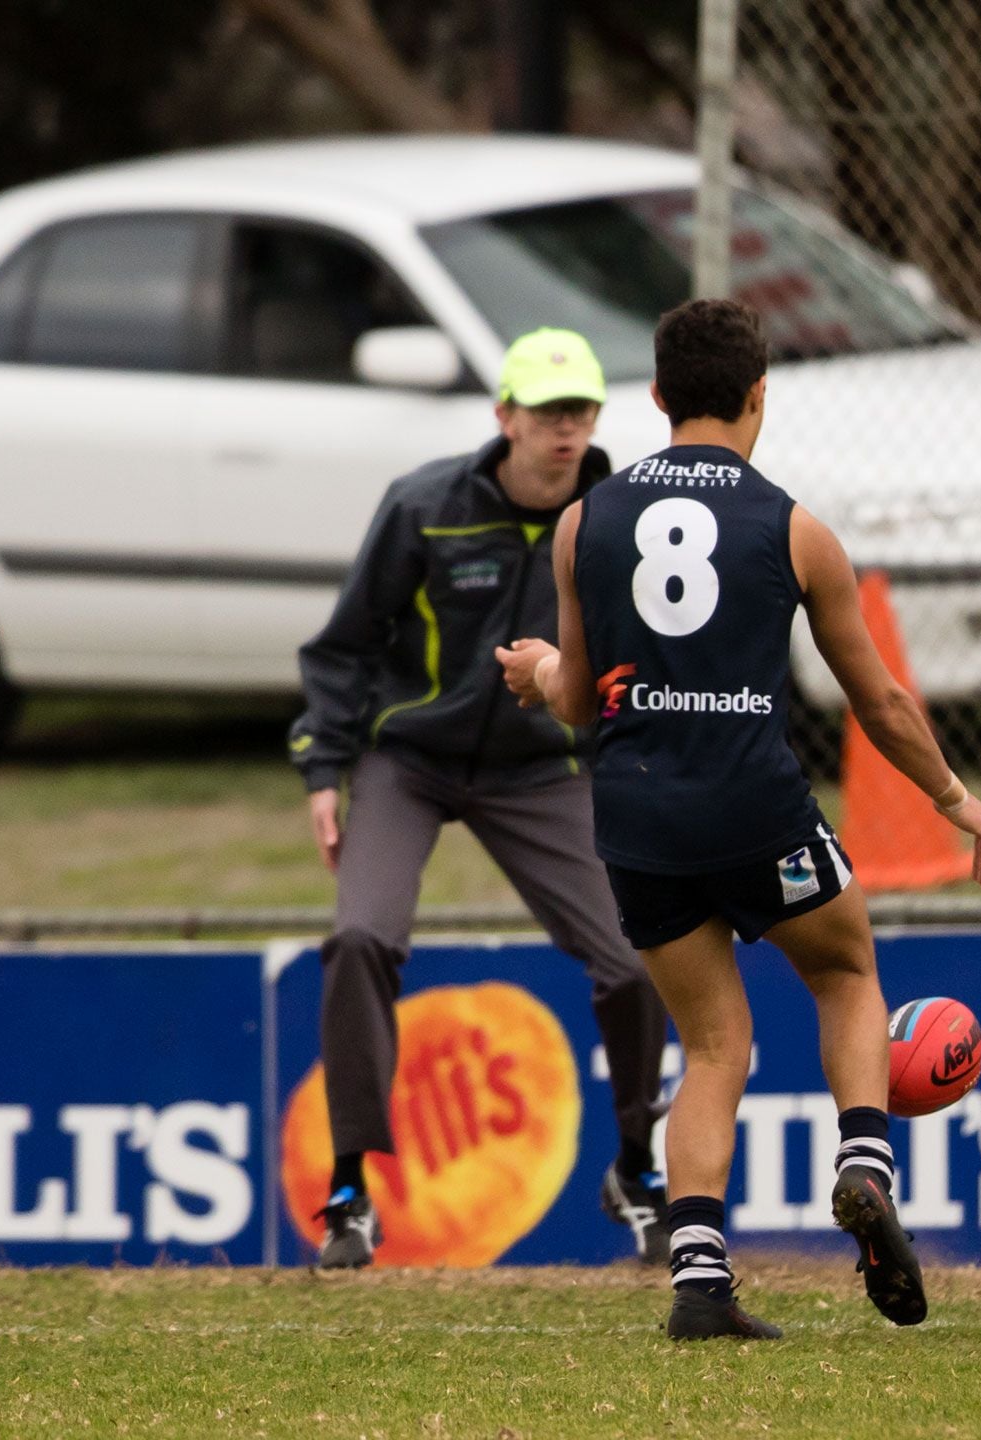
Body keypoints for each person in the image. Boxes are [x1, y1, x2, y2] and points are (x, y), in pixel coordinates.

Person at [497, 299, 981, 1340]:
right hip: (754, 808)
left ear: (655, 397)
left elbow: (577, 699)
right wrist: (955, 798)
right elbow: (880, 703)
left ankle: (698, 1284)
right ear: (759, 394)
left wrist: (541, 670)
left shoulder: (584, 523)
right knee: (845, 971)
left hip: (638, 819)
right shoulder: (795, 529)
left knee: (714, 1046)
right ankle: (864, 1165)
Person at [289, 328, 673, 1270]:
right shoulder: (424, 506)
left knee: (635, 960)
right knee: (361, 938)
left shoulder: (618, 519)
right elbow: (344, 647)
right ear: (505, 417)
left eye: (580, 411)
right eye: (546, 412)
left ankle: (636, 1168)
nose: (565, 429)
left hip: (540, 769)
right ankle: (350, 1192)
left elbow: (643, 658)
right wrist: (323, 771)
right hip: (409, 760)